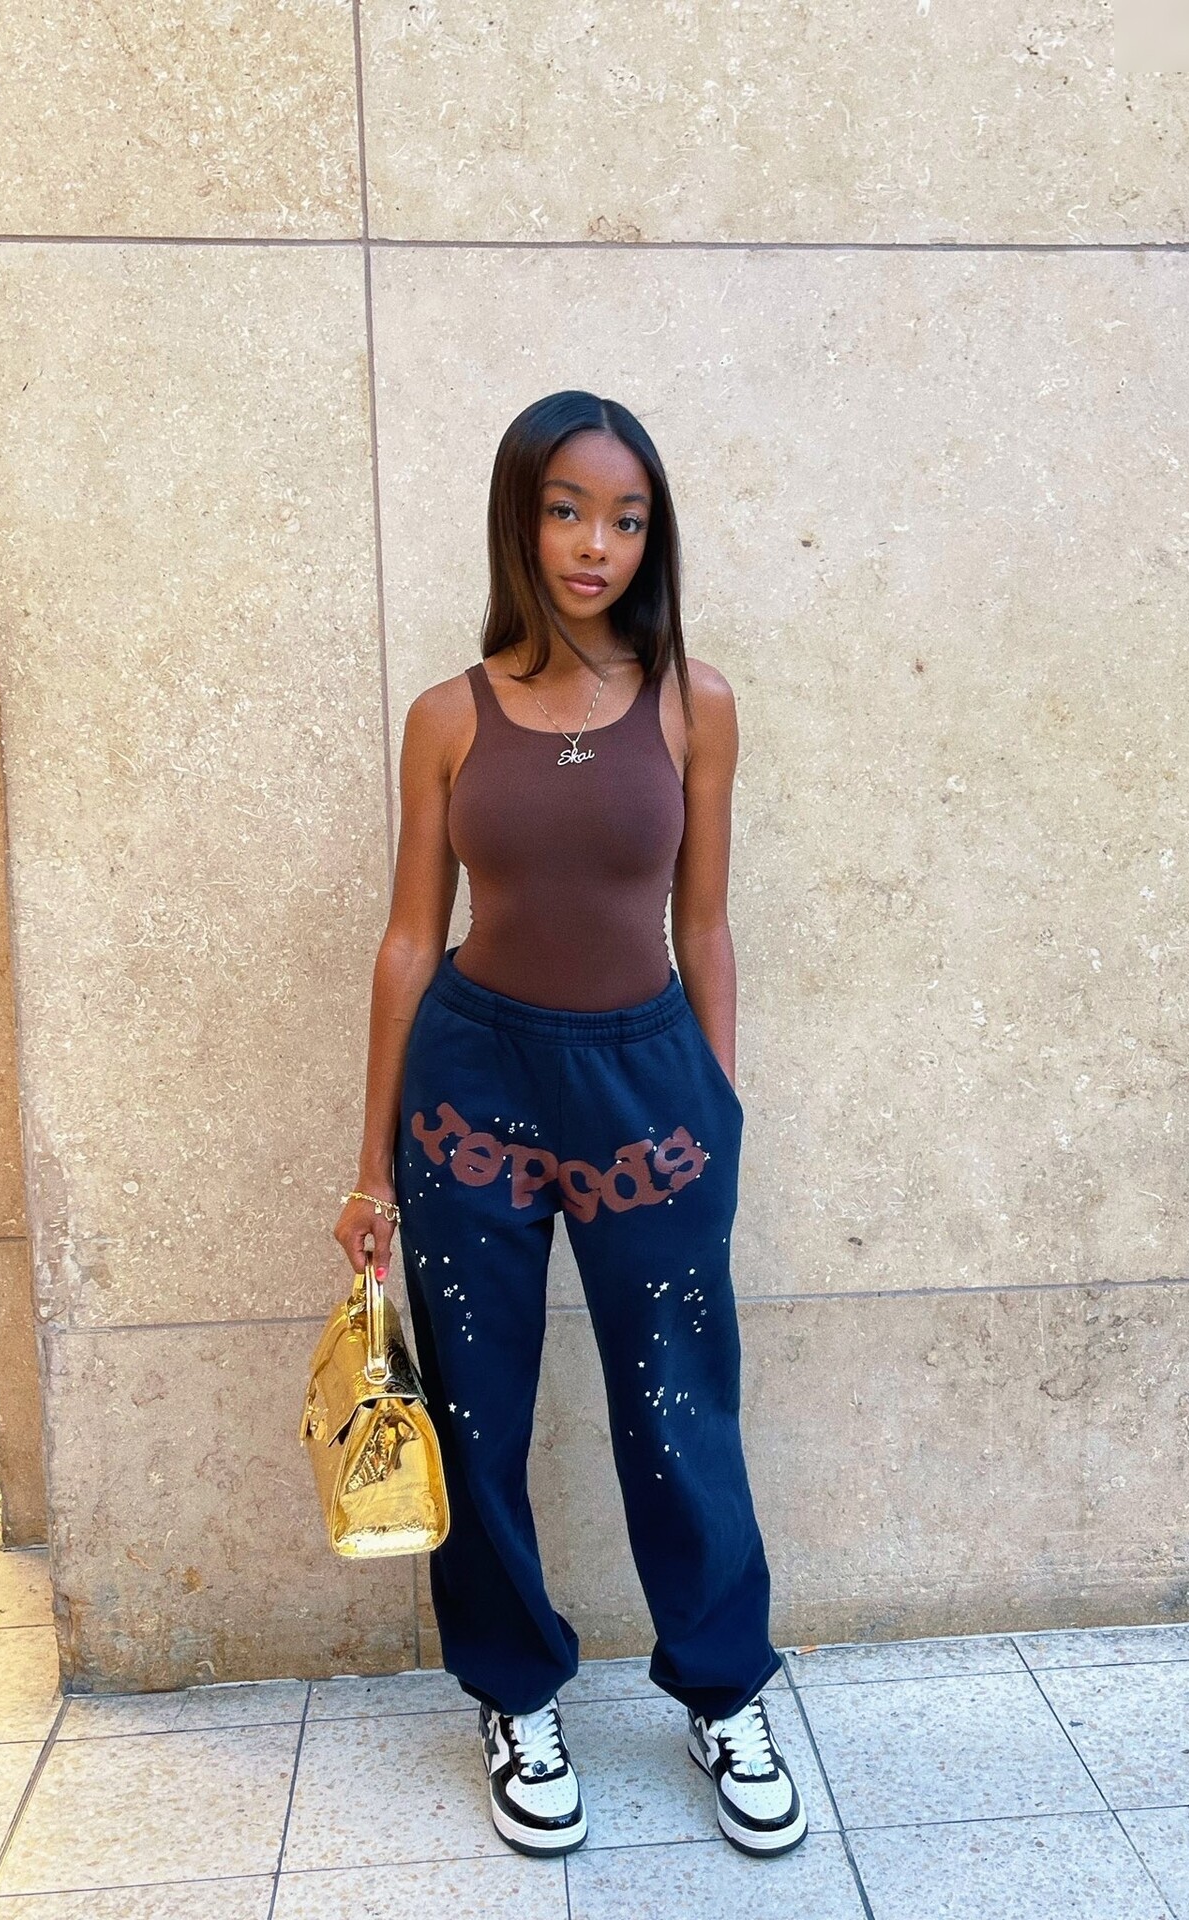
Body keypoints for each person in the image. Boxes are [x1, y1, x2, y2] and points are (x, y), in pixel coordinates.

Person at [333, 392, 806, 1861]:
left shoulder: (695, 703)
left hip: (647, 1092)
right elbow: (408, 940)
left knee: (679, 1405)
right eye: (566, 510)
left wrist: (716, 1107)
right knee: (475, 1411)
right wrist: (369, 1169)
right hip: (472, 1087)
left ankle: (724, 1689)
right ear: (519, 520)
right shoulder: (447, 718)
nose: (596, 544)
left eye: (627, 518)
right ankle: (515, 1694)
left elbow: (704, 924)